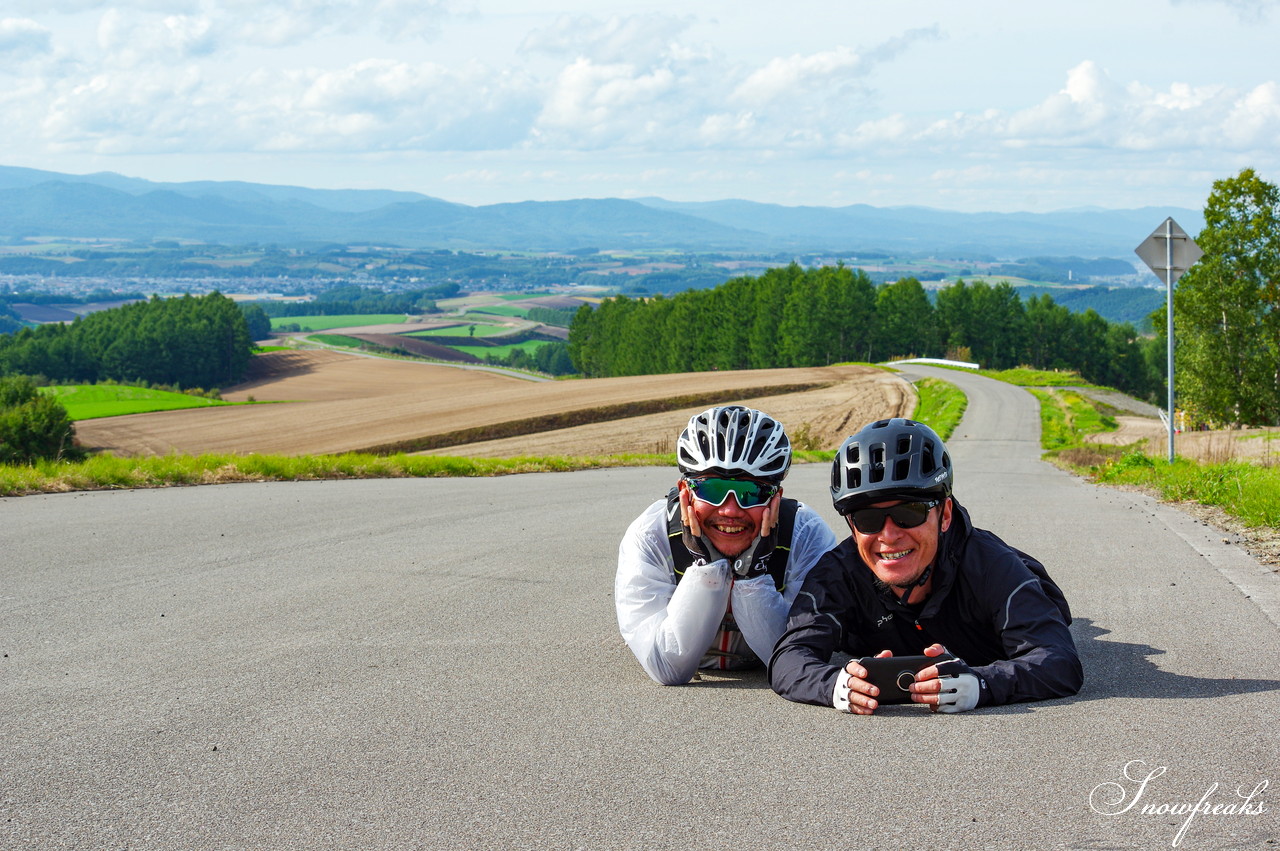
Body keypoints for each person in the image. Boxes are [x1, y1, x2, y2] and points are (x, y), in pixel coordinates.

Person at [769, 417, 1082, 713]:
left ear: (945, 514)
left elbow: (1058, 661)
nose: (889, 536)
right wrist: (835, 685)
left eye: (909, 513)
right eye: (868, 519)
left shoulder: (992, 566)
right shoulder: (837, 572)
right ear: (851, 526)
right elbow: (789, 659)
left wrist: (982, 684)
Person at [616, 405, 838, 685]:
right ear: (685, 492)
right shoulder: (651, 535)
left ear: (776, 498)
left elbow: (792, 658)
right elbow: (667, 667)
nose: (731, 510)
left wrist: (752, 575)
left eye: (752, 492)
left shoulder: (806, 535)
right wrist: (705, 568)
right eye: (713, 490)